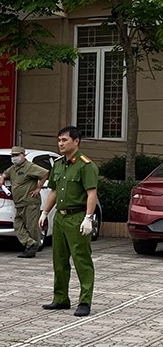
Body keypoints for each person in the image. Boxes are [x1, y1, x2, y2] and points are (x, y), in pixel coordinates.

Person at [40, 126, 99, 317]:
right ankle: (61, 298)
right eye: (59, 140)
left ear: (76, 141)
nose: (60, 144)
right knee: (59, 259)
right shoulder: (58, 164)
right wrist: (45, 212)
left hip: (77, 216)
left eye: (64, 140)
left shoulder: (85, 165)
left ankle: (84, 301)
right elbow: (54, 191)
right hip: (60, 217)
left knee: (81, 259)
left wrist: (89, 218)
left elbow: (91, 193)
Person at [0, 146, 49, 258]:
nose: (14, 158)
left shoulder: (30, 167)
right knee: (18, 226)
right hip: (19, 203)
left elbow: (45, 173)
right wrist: (2, 178)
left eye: (16, 155)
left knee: (31, 227)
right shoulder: (13, 168)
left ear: (23, 155)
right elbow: (5, 173)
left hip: (30, 202)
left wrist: (38, 188)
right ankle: (30, 243)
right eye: (13, 155)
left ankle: (32, 249)